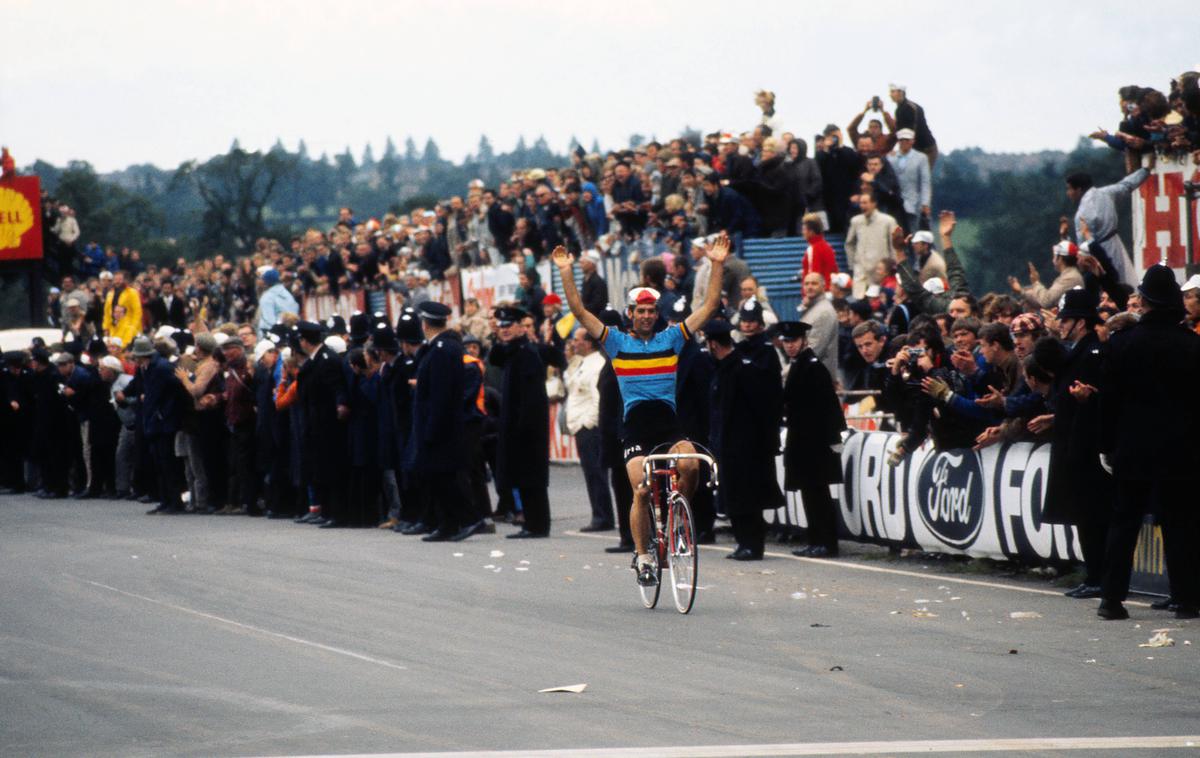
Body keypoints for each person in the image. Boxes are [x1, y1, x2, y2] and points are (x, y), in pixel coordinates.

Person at [553, 233, 729, 586]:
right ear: (630, 314)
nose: (647, 316)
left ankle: (679, 517)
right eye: (641, 311)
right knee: (642, 489)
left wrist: (717, 264)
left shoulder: (672, 338)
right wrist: (566, 272)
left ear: (657, 314)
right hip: (634, 429)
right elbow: (578, 311)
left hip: (669, 425)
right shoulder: (616, 341)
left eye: (651, 311)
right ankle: (644, 554)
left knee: (691, 464)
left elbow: (709, 307)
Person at [1097, 265, 1200, 620]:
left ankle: (1111, 598)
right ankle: (1186, 598)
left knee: (1124, 521)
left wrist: (1107, 444)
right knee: (1180, 523)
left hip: (1133, 446)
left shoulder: (1121, 345)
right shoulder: (1191, 345)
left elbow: (1108, 401)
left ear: (1145, 300)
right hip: (1181, 449)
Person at [1040, 289, 1111, 601]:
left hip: (1086, 446)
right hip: (1072, 442)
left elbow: (1099, 398)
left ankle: (1098, 575)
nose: (1062, 325)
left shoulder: (1092, 353)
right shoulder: (1075, 353)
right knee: (1083, 514)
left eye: (1066, 319)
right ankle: (1093, 573)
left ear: (1080, 322)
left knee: (1092, 514)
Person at [710, 301, 785, 561]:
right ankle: (744, 542)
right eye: (745, 320)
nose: (748, 324)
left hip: (750, 437)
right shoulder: (738, 353)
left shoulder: (764, 353)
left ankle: (752, 543)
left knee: (749, 494)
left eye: (753, 320)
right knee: (735, 492)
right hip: (733, 438)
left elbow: (766, 397)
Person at [406, 302, 483, 541]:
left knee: (445, 476)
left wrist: (432, 428)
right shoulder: (439, 347)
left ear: (425, 323)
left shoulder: (442, 349)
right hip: (437, 423)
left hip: (441, 425)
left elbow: (440, 393)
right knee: (437, 476)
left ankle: (468, 518)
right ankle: (448, 523)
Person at [777, 321, 847, 558]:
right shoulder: (799, 364)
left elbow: (828, 405)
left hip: (815, 442)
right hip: (803, 440)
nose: (790, 346)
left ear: (803, 340)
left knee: (818, 493)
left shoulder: (813, 366)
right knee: (809, 492)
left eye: (793, 341)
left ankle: (826, 542)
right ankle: (816, 539)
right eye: (786, 342)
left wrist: (833, 438)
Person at [489, 305, 552, 539]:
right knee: (522, 476)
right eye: (501, 326)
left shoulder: (526, 353)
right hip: (515, 423)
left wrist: (524, 428)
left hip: (527, 426)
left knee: (531, 477)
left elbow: (531, 398)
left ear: (520, 327)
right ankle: (532, 522)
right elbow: (494, 357)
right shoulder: (513, 350)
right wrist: (499, 337)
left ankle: (537, 524)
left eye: (509, 325)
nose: (504, 330)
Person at [295, 321, 350, 528]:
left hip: (327, 423)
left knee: (331, 468)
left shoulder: (327, 359)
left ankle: (337, 513)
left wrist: (341, 405)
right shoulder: (315, 360)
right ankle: (326, 510)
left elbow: (337, 387)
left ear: (305, 340)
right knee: (319, 468)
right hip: (315, 421)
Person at [1067, 164, 1151, 288]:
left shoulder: (1082, 214)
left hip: (1100, 252)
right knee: (1125, 281)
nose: (1068, 193)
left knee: (1110, 283)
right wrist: (1145, 171)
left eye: (1069, 189)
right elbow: (1127, 185)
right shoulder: (1106, 192)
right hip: (1115, 243)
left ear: (1078, 189)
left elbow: (1084, 246)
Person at [565, 327, 613, 532]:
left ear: (587, 342)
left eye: (576, 340)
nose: (573, 343)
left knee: (596, 472)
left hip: (589, 427)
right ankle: (598, 513)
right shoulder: (583, 363)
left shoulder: (596, 365)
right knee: (590, 472)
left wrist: (588, 423)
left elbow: (597, 398)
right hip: (580, 425)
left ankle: (603, 516)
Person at [133, 336, 184, 514]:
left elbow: (177, 388)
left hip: (163, 421)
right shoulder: (148, 368)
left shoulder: (161, 367)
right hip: (154, 420)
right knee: (159, 463)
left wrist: (166, 411)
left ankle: (174, 501)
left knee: (167, 462)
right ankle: (165, 499)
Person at [844, 192, 899, 298]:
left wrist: (893, 268)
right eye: (861, 203)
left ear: (874, 204)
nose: (862, 206)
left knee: (878, 303)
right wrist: (853, 264)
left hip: (879, 273)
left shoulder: (888, 221)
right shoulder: (856, 221)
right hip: (861, 273)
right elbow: (849, 244)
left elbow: (894, 246)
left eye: (865, 203)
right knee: (858, 303)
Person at [887, 129, 932, 233]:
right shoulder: (891, 157)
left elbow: (925, 182)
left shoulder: (921, 158)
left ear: (912, 141)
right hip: (895, 202)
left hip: (914, 202)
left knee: (913, 231)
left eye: (907, 140)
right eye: (901, 140)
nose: (904, 142)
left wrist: (925, 203)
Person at [797, 273, 838, 381]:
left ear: (823, 286)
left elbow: (814, 349)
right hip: (810, 374)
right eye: (806, 284)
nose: (809, 287)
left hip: (818, 377)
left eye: (814, 283)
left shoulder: (824, 312)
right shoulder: (813, 308)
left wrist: (790, 371)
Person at [889, 84, 938, 167]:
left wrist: (900, 150)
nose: (890, 95)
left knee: (923, 176)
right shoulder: (899, 110)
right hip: (914, 149)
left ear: (901, 92)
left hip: (926, 149)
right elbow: (899, 131)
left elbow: (909, 132)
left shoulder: (911, 108)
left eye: (893, 92)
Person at [256, 268, 299, 336]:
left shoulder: (267, 297)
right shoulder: (288, 294)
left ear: (265, 282)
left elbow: (268, 320)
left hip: (273, 335)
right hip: (290, 332)